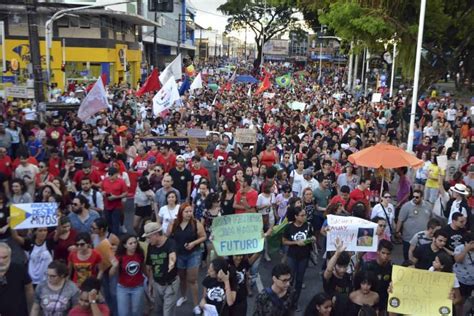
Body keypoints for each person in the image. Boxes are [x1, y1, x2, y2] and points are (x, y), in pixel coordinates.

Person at [168, 203, 206, 314]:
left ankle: (196, 304)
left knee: (192, 280)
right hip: (179, 254)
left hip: (193, 254)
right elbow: (168, 236)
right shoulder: (175, 223)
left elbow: (203, 236)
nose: (189, 214)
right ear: (181, 212)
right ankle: (183, 296)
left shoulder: (196, 223)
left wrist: (193, 243)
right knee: (182, 278)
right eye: (186, 212)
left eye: (190, 211)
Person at [144, 221, 179, 316]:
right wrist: (151, 284)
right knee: (158, 311)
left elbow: (172, 255)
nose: (147, 240)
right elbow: (150, 267)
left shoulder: (170, 243)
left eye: (148, 237)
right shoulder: (151, 247)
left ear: (156, 234)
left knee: (167, 313)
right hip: (157, 284)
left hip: (170, 285)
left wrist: (172, 263)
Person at [282, 206, 314, 309]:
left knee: (299, 280)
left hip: (304, 257)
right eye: (302, 215)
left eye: (305, 215)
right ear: (296, 216)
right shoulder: (289, 227)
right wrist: (296, 242)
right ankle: (286, 299)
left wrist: (311, 240)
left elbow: (312, 237)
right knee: (290, 279)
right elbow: (284, 241)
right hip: (292, 256)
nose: (304, 217)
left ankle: (295, 301)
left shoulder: (308, 225)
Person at [109, 234, 145, 316]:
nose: (134, 245)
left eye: (135, 242)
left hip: (138, 287)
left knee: (136, 312)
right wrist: (115, 266)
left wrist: (150, 279)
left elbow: (143, 268)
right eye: (130, 243)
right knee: (123, 313)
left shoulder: (139, 254)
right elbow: (111, 274)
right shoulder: (120, 256)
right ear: (125, 245)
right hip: (123, 288)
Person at [395, 189, 433, 260]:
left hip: (423, 239)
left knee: (421, 258)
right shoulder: (406, 206)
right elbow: (400, 220)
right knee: (407, 258)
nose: (415, 199)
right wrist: (397, 232)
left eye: (417, 197)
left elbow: (431, 219)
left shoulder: (428, 206)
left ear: (422, 197)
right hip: (408, 238)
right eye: (413, 196)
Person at [0, 242, 34, 316]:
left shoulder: (19, 269)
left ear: (10, 256)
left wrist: (31, 309)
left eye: (4, 257)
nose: (1, 261)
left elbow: (29, 289)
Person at [361, 239, 393, 314]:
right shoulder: (368, 266)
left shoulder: (391, 268)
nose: (385, 256)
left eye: (388, 254)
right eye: (383, 253)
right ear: (378, 252)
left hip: (384, 304)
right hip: (369, 303)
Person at [101, 167, 128, 235]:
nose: (110, 176)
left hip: (117, 206)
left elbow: (125, 193)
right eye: (109, 174)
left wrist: (116, 197)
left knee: (115, 224)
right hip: (107, 205)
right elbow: (102, 189)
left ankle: (115, 240)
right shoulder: (105, 180)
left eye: (112, 175)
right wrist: (103, 193)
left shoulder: (121, 182)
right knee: (108, 223)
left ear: (116, 174)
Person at [453, 232, 474, 312]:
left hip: (472, 281)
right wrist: (466, 250)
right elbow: (458, 260)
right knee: (460, 301)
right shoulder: (459, 248)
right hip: (461, 280)